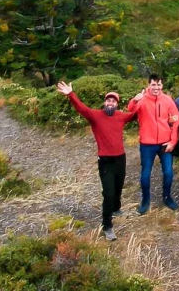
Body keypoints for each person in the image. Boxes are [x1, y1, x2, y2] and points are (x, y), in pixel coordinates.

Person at [56, 81, 135, 241]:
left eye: (113, 101)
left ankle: (116, 208)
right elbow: (81, 108)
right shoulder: (96, 115)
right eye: (108, 100)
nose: (110, 102)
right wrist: (71, 94)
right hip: (105, 162)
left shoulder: (121, 116)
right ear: (104, 102)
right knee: (108, 193)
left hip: (121, 159)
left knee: (118, 187)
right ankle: (107, 226)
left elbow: (135, 114)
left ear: (117, 104)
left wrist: (142, 98)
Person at [127, 73, 179, 212]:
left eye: (158, 84)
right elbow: (130, 111)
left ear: (162, 85)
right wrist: (134, 100)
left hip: (165, 143)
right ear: (149, 85)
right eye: (153, 84)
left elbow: (177, 121)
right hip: (147, 144)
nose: (156, 87)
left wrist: (173, 141)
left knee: (168, 172)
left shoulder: (168, 100)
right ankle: (145, 201)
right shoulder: (142, 99)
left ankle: (167, 197)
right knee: (146, 173)